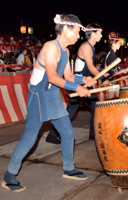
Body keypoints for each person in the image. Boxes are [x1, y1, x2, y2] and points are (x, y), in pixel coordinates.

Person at [1, 14, 96, 192]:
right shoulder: (51, 47)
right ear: (66, 29)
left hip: (52, 95)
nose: (78, 36)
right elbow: (52, 77)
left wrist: (85, 79)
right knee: (29, 138)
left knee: (67, 133)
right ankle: (9, 175)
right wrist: (77, 87)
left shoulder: (66, 51)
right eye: (76, 32)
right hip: (39, 96)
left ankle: (69, 168)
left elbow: (67, 76)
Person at [46, 22, 104, 144]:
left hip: (84, 81)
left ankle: (92, 135)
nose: (101, 35)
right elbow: (90, 66)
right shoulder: (86, 46)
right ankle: (53, 134)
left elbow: (91, 69)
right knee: (74, 110)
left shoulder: (91, 47)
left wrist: (103, 76)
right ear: (93, 34)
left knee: (93, 107)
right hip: (78, 82)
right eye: (100, 33)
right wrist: (102, 78)